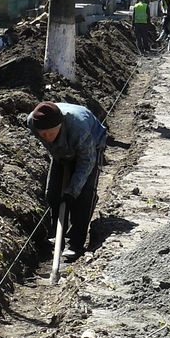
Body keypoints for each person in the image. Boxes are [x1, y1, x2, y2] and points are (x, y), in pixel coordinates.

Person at [26, 101, 107, 259]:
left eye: (50, 133)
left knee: (83, 196)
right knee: (53, 194)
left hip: (91, 147)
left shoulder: (79, 128)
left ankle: (75, 243)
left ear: (60, 124)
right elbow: (50, 145)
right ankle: (58, 236)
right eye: (43, 134)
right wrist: (63, 155)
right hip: (62, 151)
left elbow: (86, 162)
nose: (46, 138)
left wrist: (72, 191)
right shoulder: (33, 123)